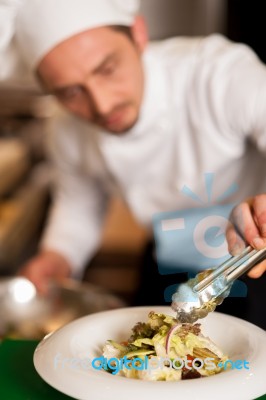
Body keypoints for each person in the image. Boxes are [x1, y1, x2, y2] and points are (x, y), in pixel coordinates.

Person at [0, 1, 265, 309]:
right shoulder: (65, 127)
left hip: (255, 260)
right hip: (168, 259)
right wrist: (57, 256)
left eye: (107, 69)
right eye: (71, 91)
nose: (101, 104)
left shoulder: (219, 72)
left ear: (138, 33)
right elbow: (79, 202)